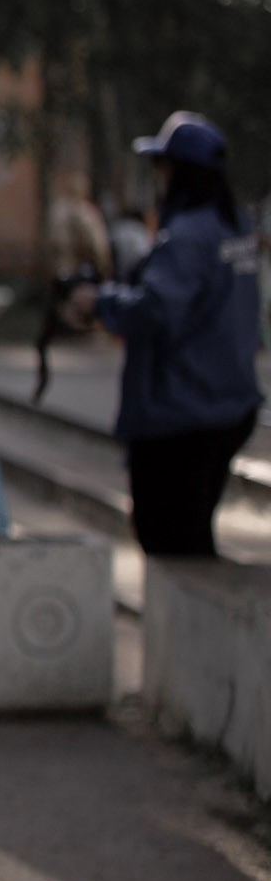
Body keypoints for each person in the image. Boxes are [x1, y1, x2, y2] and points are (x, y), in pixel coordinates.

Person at [69, 113, 263, 558]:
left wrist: (99, 301)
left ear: (179, 172)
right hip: (226, 402)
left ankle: (190, 630)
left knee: (169, 541)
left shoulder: (189, 236)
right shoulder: (234, 228)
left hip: (182, 412)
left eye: (163, 167)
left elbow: (157, 310)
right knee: (194, 536)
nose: (158, 178)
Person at [47, 168, 113, 280]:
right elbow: (97, 246)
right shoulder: (87, 213)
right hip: (79, 272)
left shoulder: (57, 211)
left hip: (58, 270)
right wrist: (103, 270)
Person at [109, 204, 154, 281]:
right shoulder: (140, 231)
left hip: (117, 272)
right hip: (136, 274)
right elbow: (145, 253)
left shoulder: (117, 228)